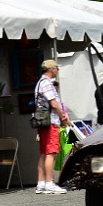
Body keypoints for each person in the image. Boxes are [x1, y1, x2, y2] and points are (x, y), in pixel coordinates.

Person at [35, 59, 71, 194]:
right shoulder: (47, 84)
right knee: (51, 152)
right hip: (51, 122)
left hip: (43, 122)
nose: (57, 70)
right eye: (56, 68)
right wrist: (63, 117)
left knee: (44, 152)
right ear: (51, 69)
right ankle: (49, 183)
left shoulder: (39, 83)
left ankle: (41, 183)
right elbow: (54, 104)